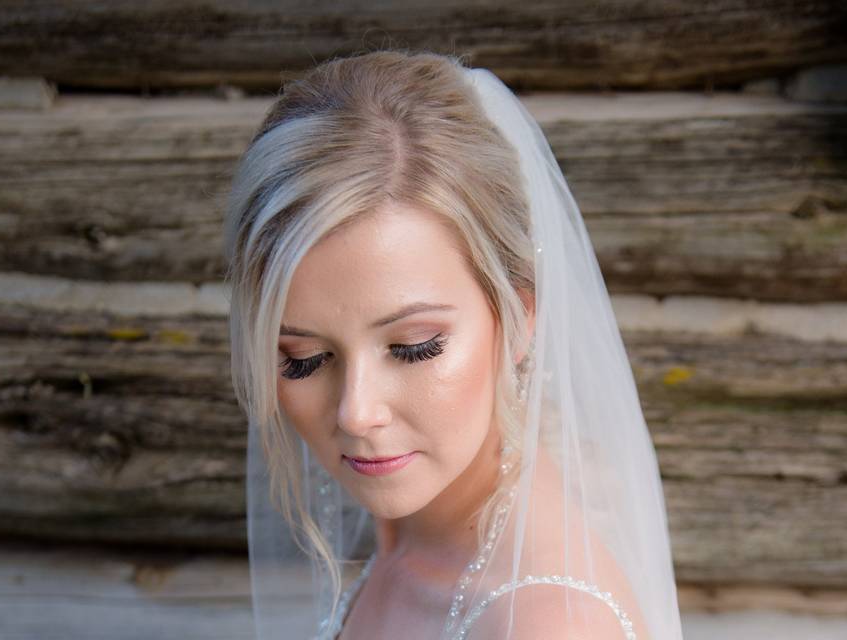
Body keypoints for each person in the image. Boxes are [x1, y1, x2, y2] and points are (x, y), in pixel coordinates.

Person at [223, 49, 684, 639]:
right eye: (303, 359)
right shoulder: (408, 538)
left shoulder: (548, 625)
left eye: (414, 347)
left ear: (517, 318)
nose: (356, 412)